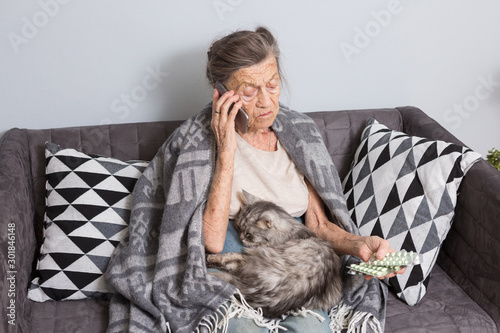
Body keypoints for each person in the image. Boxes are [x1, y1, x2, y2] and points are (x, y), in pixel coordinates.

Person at [201, 27, 404, 332]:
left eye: (272, 84)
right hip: (235, 247)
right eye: (248, 91)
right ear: (220, 92)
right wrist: (227, 147)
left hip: (296, 259)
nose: (266, 102)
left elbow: (319, 226)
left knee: (312, 329)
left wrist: (362, 244)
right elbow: (212, 242)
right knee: (244, 327)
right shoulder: (200, 141)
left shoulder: (299, 132)